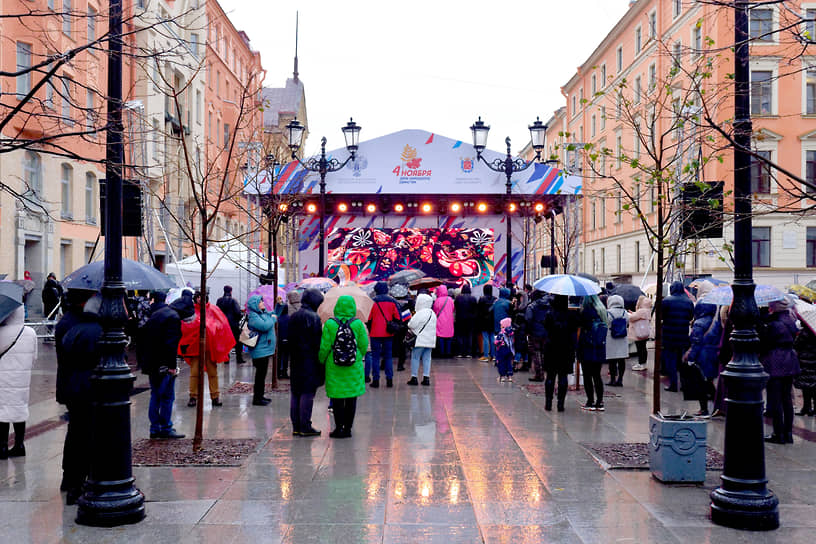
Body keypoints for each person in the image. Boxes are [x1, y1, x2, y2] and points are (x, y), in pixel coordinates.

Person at [58, 293, 103, 504]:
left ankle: (71, 480)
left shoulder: (71, 329)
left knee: (76, 433)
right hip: (92, 388)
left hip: (73, 387)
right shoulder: (101, 333)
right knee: (90, 436)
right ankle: (83, 481)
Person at [138, 290, 193, 439]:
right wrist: (171, 367)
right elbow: (170, 344)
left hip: (151, 362)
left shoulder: (160, 313)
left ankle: (155, 428)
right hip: (163, 364)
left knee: (155, 395)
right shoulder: (173, 318)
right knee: (167, 396)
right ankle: (165, 427)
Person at [318, 295, 368, 438]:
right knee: (352, 398)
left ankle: (339, 428)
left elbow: (325, 347)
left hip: (334, 365)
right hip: (354, 366)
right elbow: (364, 345)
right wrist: (357, 356)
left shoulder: (330, 324)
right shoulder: (358, 324)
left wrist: (322, 360)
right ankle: (348, 429)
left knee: (338, 398)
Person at [179, 290, 233, 408]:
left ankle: (215, 396)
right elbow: (186, 327)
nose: (200, 299)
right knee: (194, 373)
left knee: (212, 373)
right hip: (195, 348)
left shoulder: (214, 310)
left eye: (202, 297)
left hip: (210, 348)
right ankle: (193, 396)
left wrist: (210, 327)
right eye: (198, 297)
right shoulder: (190, 311)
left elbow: (221, 325)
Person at [0, 293, 37, 460]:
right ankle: (19, 445)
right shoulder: (30, 332)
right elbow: (34, 357)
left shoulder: (1, 332)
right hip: (23, 378)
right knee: (20, 409)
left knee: (3, 411)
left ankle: (2, 447)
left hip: (3, 378)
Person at [760, 297, 800, 444]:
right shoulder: (790, 319)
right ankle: (788, 433)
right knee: (787, 399)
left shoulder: (774, 324)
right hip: (789, 360)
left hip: (775, 360)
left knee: (775, 398)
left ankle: (778, 433)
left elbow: (765, 343)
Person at [287, 289, 324, 437]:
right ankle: (305, 426)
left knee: (296, 392)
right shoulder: (314, 317)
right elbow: (317, 343)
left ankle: (296, 426)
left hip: (295, 359)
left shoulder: (294, 316)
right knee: (307, 393)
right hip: (309, 360)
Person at [543, 294, 579, 412]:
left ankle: (548, 403)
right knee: (563, 376)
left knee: (550, 376)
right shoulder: (572, 315)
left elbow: (546, 328)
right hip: (566, 348)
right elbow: (574, 330)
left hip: (551, 347)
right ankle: (560, 404)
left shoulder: (550, 314)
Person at [684, 301, 721, 416]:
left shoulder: (699, 323)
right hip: (712, 355)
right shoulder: (715, 323)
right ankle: (718, 407)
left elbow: (696, 343)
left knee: (700, 384)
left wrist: (690, 358)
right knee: (709, 383)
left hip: (702, 356)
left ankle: (704, 409)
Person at [661, 280, 694, 392]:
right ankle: (685, 385)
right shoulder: (688, 302)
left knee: (671, 361)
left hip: (669, 336)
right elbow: (690, 317)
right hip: (683, 335)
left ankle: (673, 384)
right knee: (682, 361)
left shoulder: (667, 301)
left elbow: (662, 316)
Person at [368, 281, 401, 388]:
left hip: (375, 332)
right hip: (388, 333)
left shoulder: (372, 302)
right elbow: (398, 317)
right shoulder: (393, 301)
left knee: (375, 357)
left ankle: (376, 380)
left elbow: (368, 318)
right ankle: (389, 379)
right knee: (388, 357)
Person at [578, 295, 608, 411]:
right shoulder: (602, 310)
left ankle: (590, 401)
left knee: (587, 375)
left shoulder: (586, 312)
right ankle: (600, 402)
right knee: (597, 375)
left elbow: (579, 324)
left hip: (587, 347)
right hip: (599, 347)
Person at [246, 295, 277, 406]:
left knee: (262, 375)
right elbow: (264, 326)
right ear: (255, 304)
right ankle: (257, 399)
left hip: (264, 350)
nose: (263, 303)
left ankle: (261, 396)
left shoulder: (262, 314)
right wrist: (273, 319)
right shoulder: (253, 316)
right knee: (260, 376)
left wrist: (279, 306)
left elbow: (273, 313)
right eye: (261, 302)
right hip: (259, 351)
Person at [407, 293, 437, 386]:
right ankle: (426, 377)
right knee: (427, 358)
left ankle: (414, 377)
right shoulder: (433, 313)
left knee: (415, 357)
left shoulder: (420, 313)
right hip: (430, 340)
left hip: (419, 340)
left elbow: (411, 325)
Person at [525, 291, 550, 382]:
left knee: (536, 352)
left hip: (535, 331)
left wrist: (528, 330)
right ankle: (545, 371)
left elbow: (528, 318)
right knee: (544, 352)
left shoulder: (532, 306)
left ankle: (539, 374)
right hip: (546, 331)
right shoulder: (549, 304)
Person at [216, 285, 244, 365]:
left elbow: (217, 311)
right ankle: (239, 358)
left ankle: (226, 358)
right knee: (238, 341)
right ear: (231, 291)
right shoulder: (233, 301)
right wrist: (238, 318)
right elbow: (237, 312)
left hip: (223, 324)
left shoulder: (219, 300)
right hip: (233, 324)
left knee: (225, 341)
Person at [605, 295, 629, 387]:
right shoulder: (625, 312)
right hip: (622, 338)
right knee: (621, 360)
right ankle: (620, 379)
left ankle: (612, 380)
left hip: (611, 338)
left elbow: (605, 322)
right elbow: (627, 322)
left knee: (612, 361)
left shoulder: (608, 312)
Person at [277, 290, 301, 379]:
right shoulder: (303, 307)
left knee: (283, 355)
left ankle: (280, 371)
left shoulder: (288, 308)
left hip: (285, 336)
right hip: (298, 335)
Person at [794, 318, 816, 416]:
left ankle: (806, 407)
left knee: (806, 387)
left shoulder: (804, 333)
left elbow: (797, 345)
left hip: (805, 362)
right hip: (814, 362)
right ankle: (813, 408)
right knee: (814, 386)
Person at [454, 284, 477, 358]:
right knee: (469, 335)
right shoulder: (473, 298)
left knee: (460, 335)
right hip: (470, 319)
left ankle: (460, 352)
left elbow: (456, 308)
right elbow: (475, 310)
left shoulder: (458, 298)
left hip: (460, 318)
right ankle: (468, 352)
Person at [629, 295, 652, 372]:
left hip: (639, 333)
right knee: (643, 348)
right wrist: (634, 313)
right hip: (644, 333)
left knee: (640, 349)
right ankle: (643, 363)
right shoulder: (647, 310)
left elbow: (632, 318)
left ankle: (641, 364)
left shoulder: (641, 311)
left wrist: (630, 314)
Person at [433, 285, 455, 358]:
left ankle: (442, 353)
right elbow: (453, 309)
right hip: (449, 320)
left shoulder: (437, 300)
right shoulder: (450, 299)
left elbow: (435, 310)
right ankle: (448, 352)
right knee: (449, 336)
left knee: (441, 337)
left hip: (440, 320)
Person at [477, 285, 497, 361]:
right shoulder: (494, 299)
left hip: (483, 321)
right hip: (492, 321)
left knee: (485, 338)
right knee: (492, 337)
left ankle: (485, 355)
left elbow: (478, 311)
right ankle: (493, 355)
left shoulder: (482, 299)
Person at [495, 317, 515, 382]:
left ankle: (502, 376)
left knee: (501, 363)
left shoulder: (501, 333)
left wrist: (496, 342)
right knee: (508, 363)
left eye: (501, 325)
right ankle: (510, 377)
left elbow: (497, 342)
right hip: (509, 350)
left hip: (502, 350)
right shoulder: (511, 332)